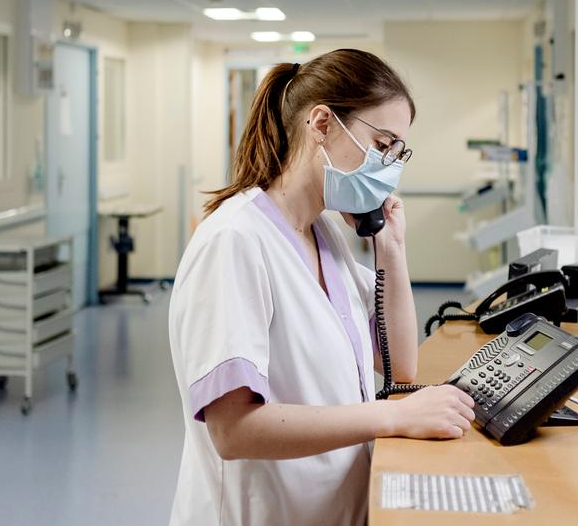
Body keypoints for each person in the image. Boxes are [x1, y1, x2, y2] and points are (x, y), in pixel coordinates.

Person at [168, 49, 475, 525]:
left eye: (398, 152)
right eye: (382, 144)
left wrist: (391, 249)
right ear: (322, 124)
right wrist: (392, 417)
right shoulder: (235, 241)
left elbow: (398, 360)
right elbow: (233, 432)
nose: (390, 165)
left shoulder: (323, 232)